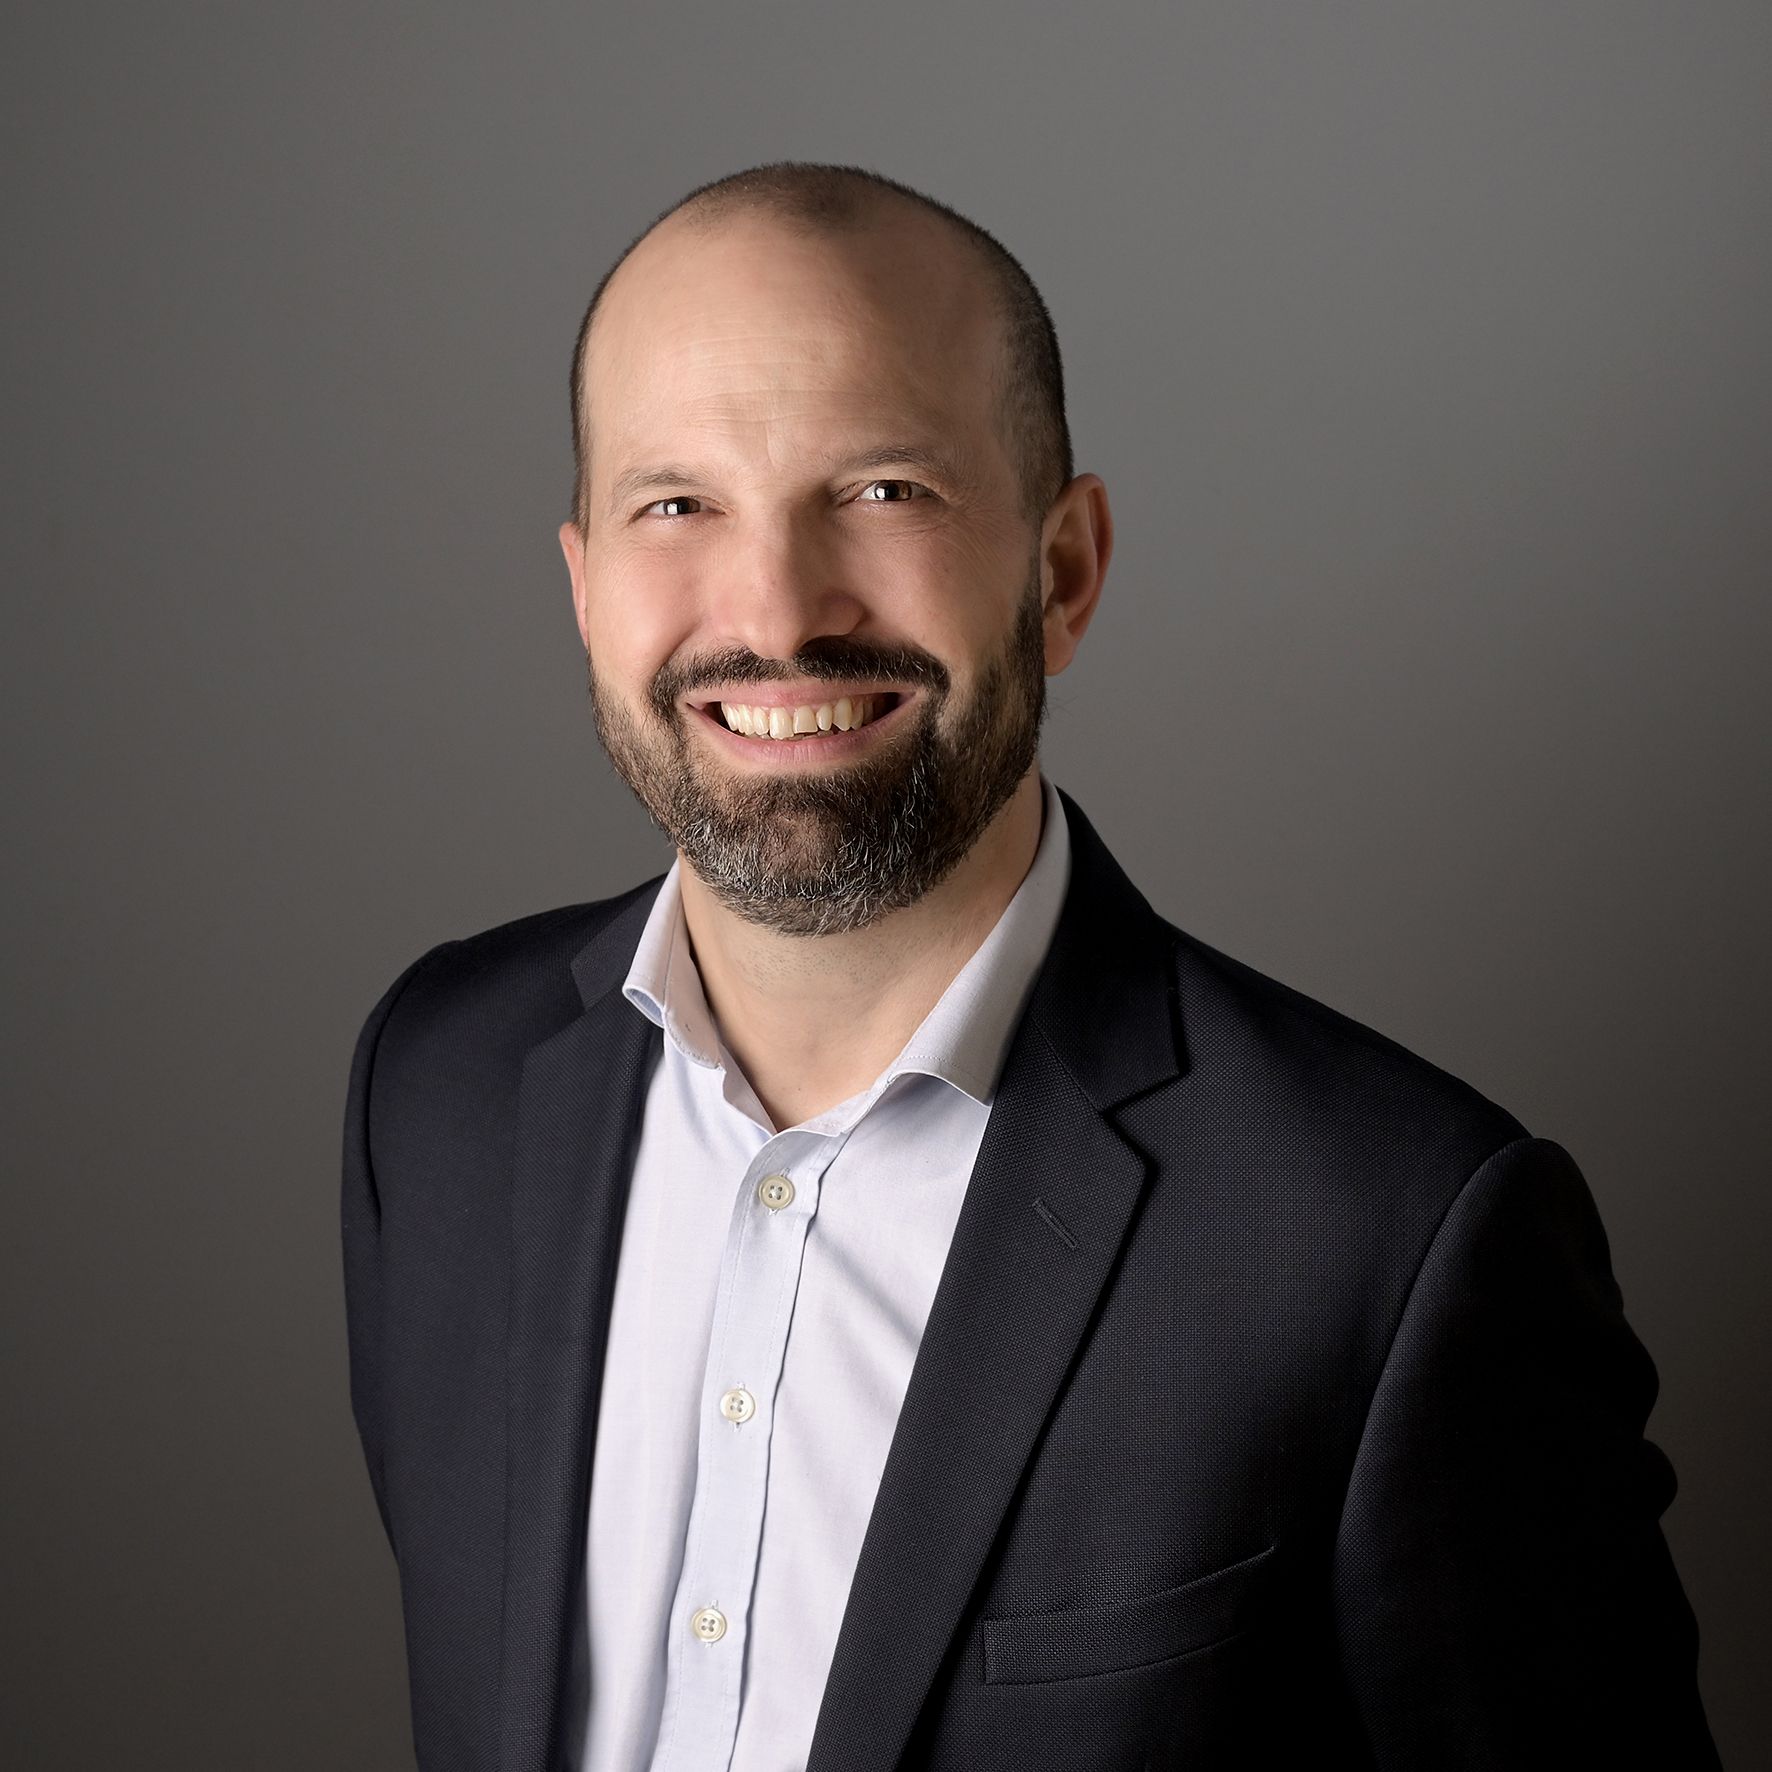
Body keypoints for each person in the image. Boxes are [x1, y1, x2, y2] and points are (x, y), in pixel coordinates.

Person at [340, 162, 1718, 1772]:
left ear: (1062, 571)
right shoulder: (432, 1094)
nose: (775, 610)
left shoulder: (1392, 1240)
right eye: (678, 503)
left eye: (881, 490)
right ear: (584, 586)